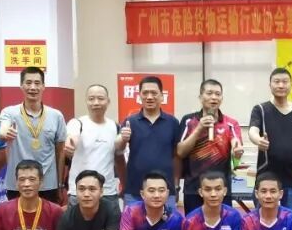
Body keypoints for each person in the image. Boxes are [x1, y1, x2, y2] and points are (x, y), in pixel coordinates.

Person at [0, 66, 67, 204]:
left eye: (37, 83)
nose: (33, 87)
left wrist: (60, 184)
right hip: (18, 183)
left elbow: (60, 152)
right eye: (28, 83)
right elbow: (2, 130)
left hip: (48, 184)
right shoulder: (9, 112)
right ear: (21, 86)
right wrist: (4, 133)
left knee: (47, 218)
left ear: (43, 86)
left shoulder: (56, 115)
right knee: (18, 218)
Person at [177, 79, 244, 215]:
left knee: (223, 226)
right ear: (200, 97)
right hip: (194, 188)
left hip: (221, 189)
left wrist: (237, 153)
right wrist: (199, 128)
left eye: (218, 94)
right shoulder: (189, 121)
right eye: (209, 93)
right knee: (194, 225)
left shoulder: (231, 123)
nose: (214, 97)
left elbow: (236, 150)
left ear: (222, 98)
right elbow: (180, 152)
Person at [117, 76, 182, 208]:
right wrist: (122, 139)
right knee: (132, 222)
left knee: (168, 222)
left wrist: (176, 185)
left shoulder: (172, 122)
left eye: (154, 93)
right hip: (135, 191)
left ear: (162, 96)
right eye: (145, 93)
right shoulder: (130, 121)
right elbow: (118, 150)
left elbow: (177, 156)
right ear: (139, 96)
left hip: (165, 191)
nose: (149, 97)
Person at [249, 68, 292, 211]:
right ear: (270, 85)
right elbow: (253, 130)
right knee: (262, 220)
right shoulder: (260, 109)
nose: (281, 85)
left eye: (285, 82)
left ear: (291, 85)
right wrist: (258, 140)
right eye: (277, 82)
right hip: (266, 180)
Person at [65, 84, 123, 210]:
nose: (96, 102)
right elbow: (72, 136)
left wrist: (125, 183)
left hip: (107, 192)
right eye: (91, 99)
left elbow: (119, 157)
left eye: (100, 98)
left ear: (108, 101)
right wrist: (70, 143)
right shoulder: (77, 123)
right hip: (80, 192)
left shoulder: (115, 126)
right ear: (86, 101)